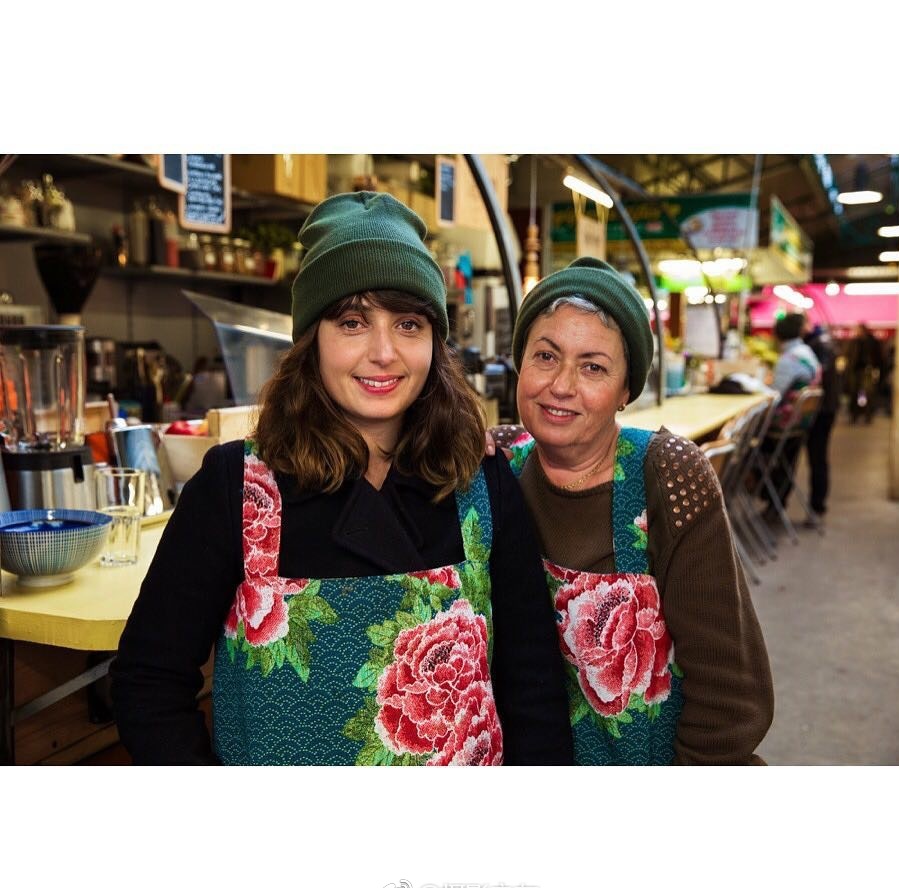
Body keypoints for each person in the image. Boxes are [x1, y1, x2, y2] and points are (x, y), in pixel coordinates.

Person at [111, 191, 573, 766]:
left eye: (408, 324)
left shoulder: (481, 482)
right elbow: (148, 682)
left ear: (435, 342)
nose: (383, 352)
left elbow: (533, 693)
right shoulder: (238, 489)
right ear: (312, 340)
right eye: (352, 322)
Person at [488, 257, 773, 765]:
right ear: (519, 365)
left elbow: (730, 695)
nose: (562, 385)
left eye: (593, 367)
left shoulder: (664, 475)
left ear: (626, 391)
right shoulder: (497, 467)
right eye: (546, 356)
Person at [761, 312, 822, 512]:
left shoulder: (788, 359)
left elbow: (774, 395)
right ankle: (774, 498)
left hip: (783, 424)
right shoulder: (806, 352)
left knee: (747, 441)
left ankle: (760, 490)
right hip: (799, 423)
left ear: (778, 336)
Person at [803, 321, 839, 519]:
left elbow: (819, 375)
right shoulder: (824, 342)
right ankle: (817, 505)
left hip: (820, 411)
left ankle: (817, 505)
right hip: (827, 408)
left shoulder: (818, 345)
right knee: (819, 458)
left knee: (817, 458)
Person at [848, 323, 882, 423]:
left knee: (866, 393)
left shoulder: (872, 341)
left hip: (867, 371)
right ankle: (855, 414)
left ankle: (867, 414)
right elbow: (850, 356)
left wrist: (876, 368)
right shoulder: (855, 342)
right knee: (855, 393)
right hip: (856, 371)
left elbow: (878, 357)